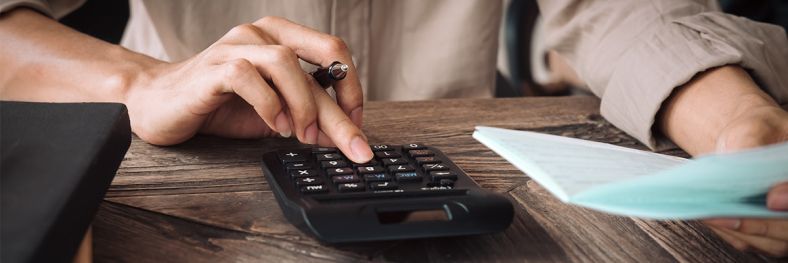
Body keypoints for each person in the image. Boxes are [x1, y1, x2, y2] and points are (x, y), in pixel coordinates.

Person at [0, 0, 786, 256]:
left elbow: (621, 10)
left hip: (467, 182)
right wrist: (140, 80)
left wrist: (736, 122)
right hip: (183, 170)